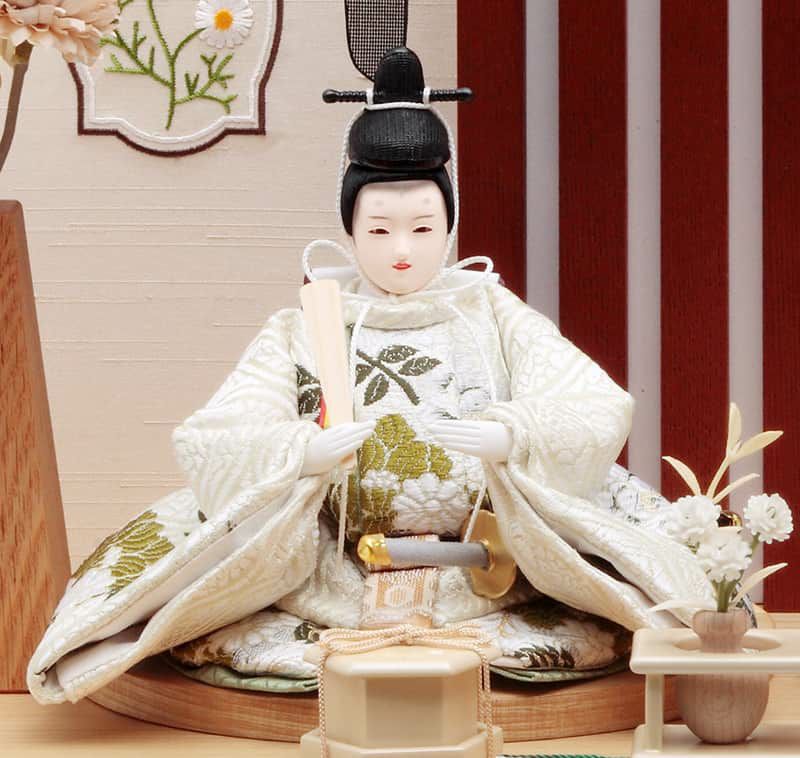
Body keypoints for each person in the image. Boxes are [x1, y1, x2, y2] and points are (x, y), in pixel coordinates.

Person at [28, 47, 721, 705]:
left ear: (450, 224)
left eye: (422, 228)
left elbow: (592, 402)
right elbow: (217, 433)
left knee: (649, 582)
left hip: (495, 562)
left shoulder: (490, 310)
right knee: (210, 590)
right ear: (350, 228)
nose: (401, 250)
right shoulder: (307, 323)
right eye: (380, 230)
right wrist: (301, 452)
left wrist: (515, 435)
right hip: (331, 565)